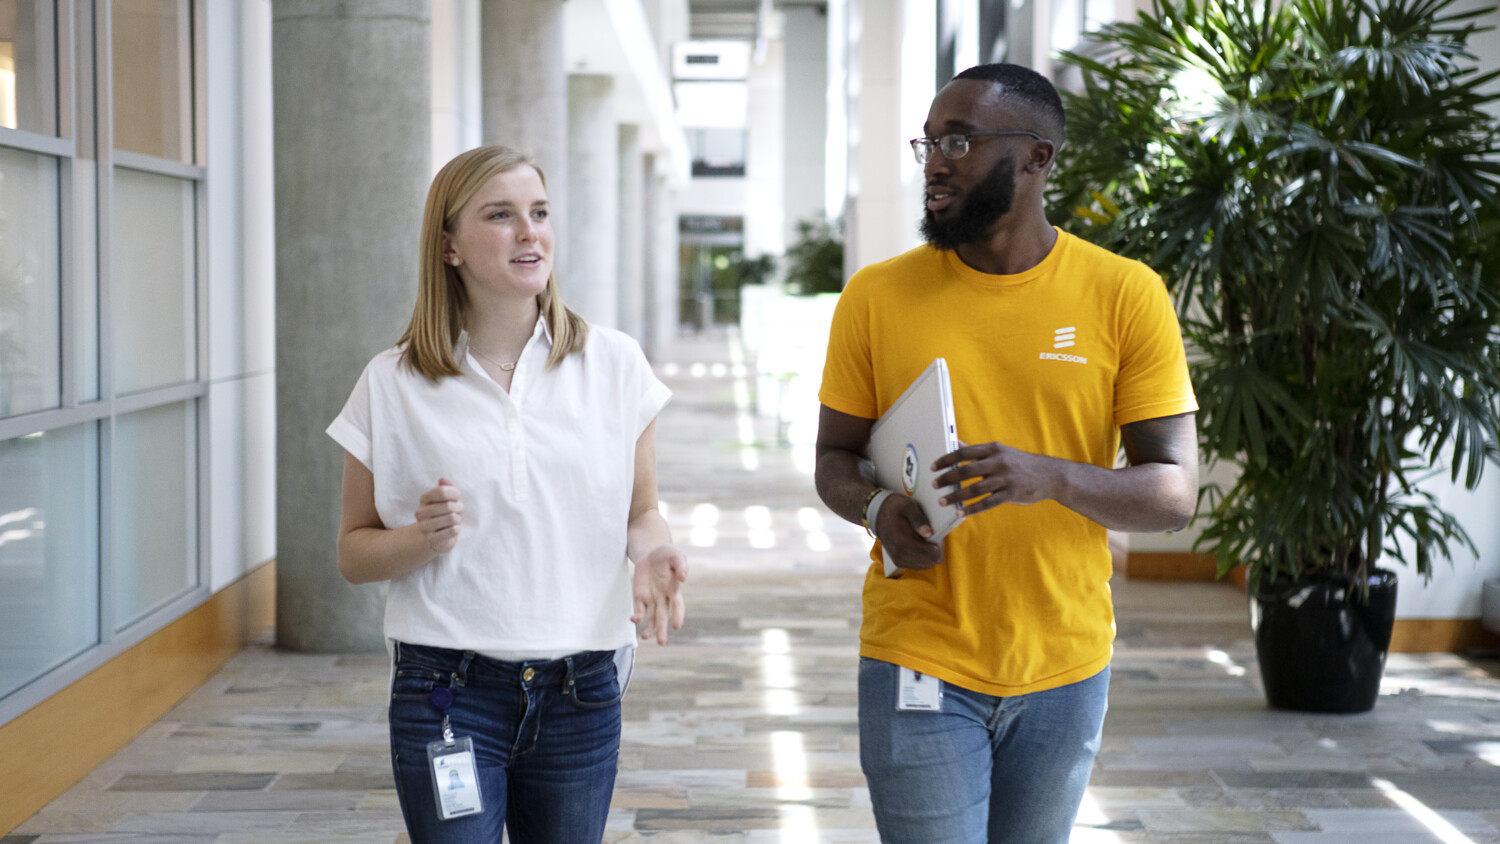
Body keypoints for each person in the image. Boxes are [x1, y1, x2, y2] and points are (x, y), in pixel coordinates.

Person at [814, 64, 1199, 843]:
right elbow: (833, 457)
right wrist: (879, 508)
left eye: (958, 141)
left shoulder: (1126, 294)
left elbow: (1173, 492)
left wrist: (1049, 476)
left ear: (1036, 157)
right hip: (917, 651)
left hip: (1066, 664)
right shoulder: (876, 296)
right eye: (929, 142)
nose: (935, 162)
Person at [327, 145, 688, 843]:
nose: (530, 232)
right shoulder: (391, 382)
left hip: (582, 688)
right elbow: (352, 553)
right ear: (450, 246)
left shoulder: (613, 363)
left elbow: (641, 511)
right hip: (447, 691)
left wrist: (652, 551)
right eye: (501, 215)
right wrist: (418, 540)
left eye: (540, 213)